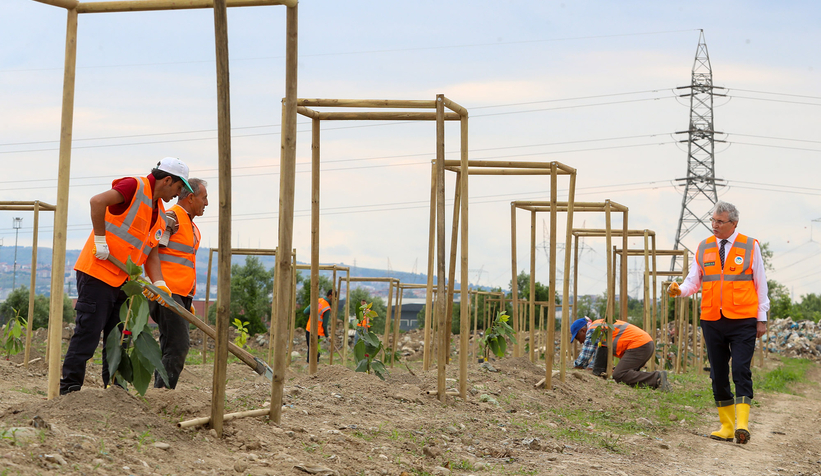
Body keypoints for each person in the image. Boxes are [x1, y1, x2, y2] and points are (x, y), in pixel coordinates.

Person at [61, 157, 194, 395]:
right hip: (98, 274)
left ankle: (115, 392)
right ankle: (70, 390)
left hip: (124, 282)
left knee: (118, 340)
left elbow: (152, 253)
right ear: (167, 180)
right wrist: (100, 239)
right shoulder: (134, 186)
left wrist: (160, 283)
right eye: (178, 187)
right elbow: (97, 201)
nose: (178, 194)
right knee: (88, 335)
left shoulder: (160, 214)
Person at [668, 200, 769, 444]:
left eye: (720, 221)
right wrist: (679, 290)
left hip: (743, 320)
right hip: (712, 319)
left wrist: (761, 318)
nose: (714, 225)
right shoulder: (704, 247)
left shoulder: (750, 246)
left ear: (734, 223)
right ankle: (727, 426)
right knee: (718, 374)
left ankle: (742, 425)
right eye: (712, 220)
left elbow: (761, 283)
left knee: (740, 370)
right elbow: (693, 281)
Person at [151, 178, 208, 389]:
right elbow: (151, 249)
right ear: (191, 198)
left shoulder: (190, 225)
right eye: (204, 198)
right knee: (178, 346)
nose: (207, 203)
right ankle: (163, 394)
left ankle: (160, 392)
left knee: (171, 345)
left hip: (180, 295)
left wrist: (186, 299)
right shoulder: (172, 218)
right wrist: (156, 284)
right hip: (167, 292)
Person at [571, 317, 671, 391]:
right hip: (645, 343)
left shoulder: (593, 329)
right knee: (623, 373)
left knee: (619, 374)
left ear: (583, 331)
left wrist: (577, 367)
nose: (580, 342)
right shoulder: (600, 325)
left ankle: (657, 378)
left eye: (578, 338)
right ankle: (658, 381)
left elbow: (585, 355)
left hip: (639, 345)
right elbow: (597, 356)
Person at [304, 289, 332, 362]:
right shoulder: (327, 307)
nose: (334, 301)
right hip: (316, 331)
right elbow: (324, 324)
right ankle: (314, 364)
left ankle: (309, 363)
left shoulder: (318, 300)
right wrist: (327, 335)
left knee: (310, 348)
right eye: (334, 299)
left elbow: (305, 311)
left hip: (309, 328)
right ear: (330, 296)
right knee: (315, 350)